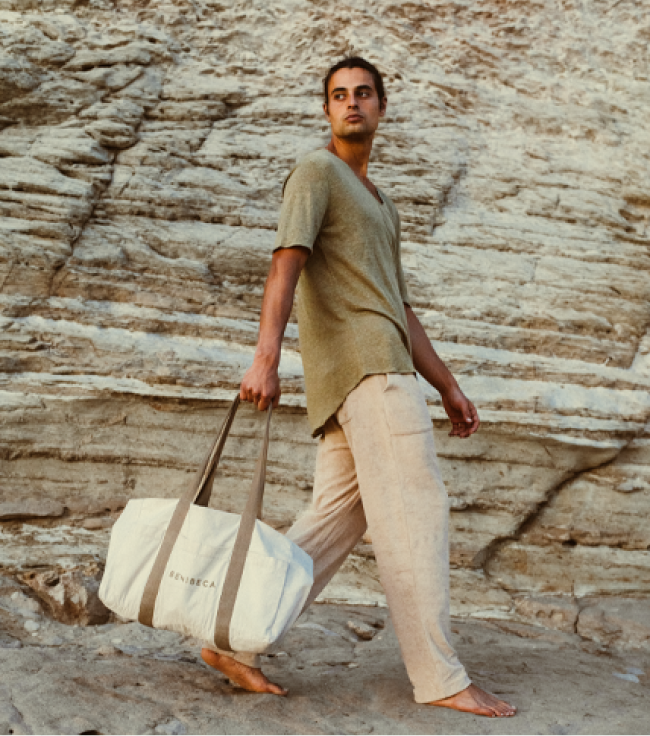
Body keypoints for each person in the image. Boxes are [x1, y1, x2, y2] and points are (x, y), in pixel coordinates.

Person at [201, 57, 517, 719]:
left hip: (378, 369)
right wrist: (265, 359)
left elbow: (399, 305)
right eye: (339, 96)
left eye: (363, 94)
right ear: (326, 110)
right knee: (416, 512)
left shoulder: (380, 201)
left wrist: (449, 386)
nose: (351, 105)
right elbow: (285, 264)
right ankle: (439, 676)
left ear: (381, 106)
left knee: (329, 528)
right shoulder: (316, 172)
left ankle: (230, 640)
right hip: (367, 374)